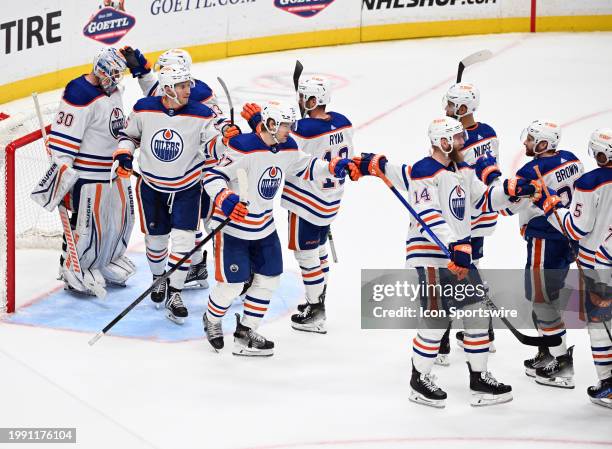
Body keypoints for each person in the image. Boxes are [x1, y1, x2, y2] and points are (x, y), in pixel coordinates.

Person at [354, 117, 541, 407]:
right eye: (456, 138)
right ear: (442, 141)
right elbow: (427, 213)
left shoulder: (463, 169)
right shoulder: (424, 171)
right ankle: (419, 379)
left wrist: (512, 190)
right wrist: (456, 244)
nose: (462, 142)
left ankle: (479, 378)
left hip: (458, 255)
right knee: (436, 321)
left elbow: (485, 201)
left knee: (477, 314)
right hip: (429, 257)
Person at [201, 100, 360, 356]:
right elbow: (213, 176)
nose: (290, 129)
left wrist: (331, 167)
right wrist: (225, 199)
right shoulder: (243, 147)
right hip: (233, 228)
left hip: (264, 226)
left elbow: (305, 164)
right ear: (271, 124)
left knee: (269, 279)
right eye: (285, 125)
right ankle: (212, 318)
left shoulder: (287, 146)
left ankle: (246, 333)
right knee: (232, 284)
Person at [121, 46, 240, 289]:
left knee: (201, 223)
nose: (162, 72)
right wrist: (142, 72)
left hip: (202, 166)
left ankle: (221, 269)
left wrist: (226, 132)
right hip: (174, 167)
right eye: (161, 69)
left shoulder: (199, 94)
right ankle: (193, 266)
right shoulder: (171, 90)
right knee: (183, 226)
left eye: (166, 68)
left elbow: (216, 123)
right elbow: (156, 97)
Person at [115, 64, 222, 324]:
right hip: (152, 188)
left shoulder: (202, 114)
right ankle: (158, 280)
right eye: (183, 86)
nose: (189, 90)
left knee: (185, 242)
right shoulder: (144, 108)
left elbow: (214, 147)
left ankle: (174, 293)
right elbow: (129, 136)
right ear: (167, 88)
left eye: (188, 85)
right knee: (156, 241)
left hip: (187, 187)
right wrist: (125, 154)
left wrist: (226, 138)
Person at [47, 47, 135, 295]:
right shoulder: (79, 94)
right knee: (82, 224)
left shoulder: (113, 90)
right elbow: (63, 142)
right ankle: (73, 267)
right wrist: (63, 174)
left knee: (112, 223)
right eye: (114, 72)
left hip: (110, 172)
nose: (117, 78)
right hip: (86, 173)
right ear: (101, 70)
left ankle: (101, 261)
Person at [534, 128, 611, 407]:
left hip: (598, 265)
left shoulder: (590, 182)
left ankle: (608, 384)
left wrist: (551, 206)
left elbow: (576, 228)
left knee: (600, 324)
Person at [513, 120, 584, 388]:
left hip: (546, 239)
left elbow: (508, 207)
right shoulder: (573, 160)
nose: (525, 143)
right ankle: (547, 351)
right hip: (569, 237)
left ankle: (561, 363)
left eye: (531, 139)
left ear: (543, 144)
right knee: (548, 297)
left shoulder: (530, 171)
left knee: (541, 300)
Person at [442, 83, 499, 361]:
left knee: (456, 272)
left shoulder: (455, 139)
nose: (446, 109)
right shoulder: (489, 132)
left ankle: (444, 338)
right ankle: (482, 334)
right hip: (486, 210)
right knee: (472, 267)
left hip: (465, 213)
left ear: (463, 108)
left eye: (452, 105)